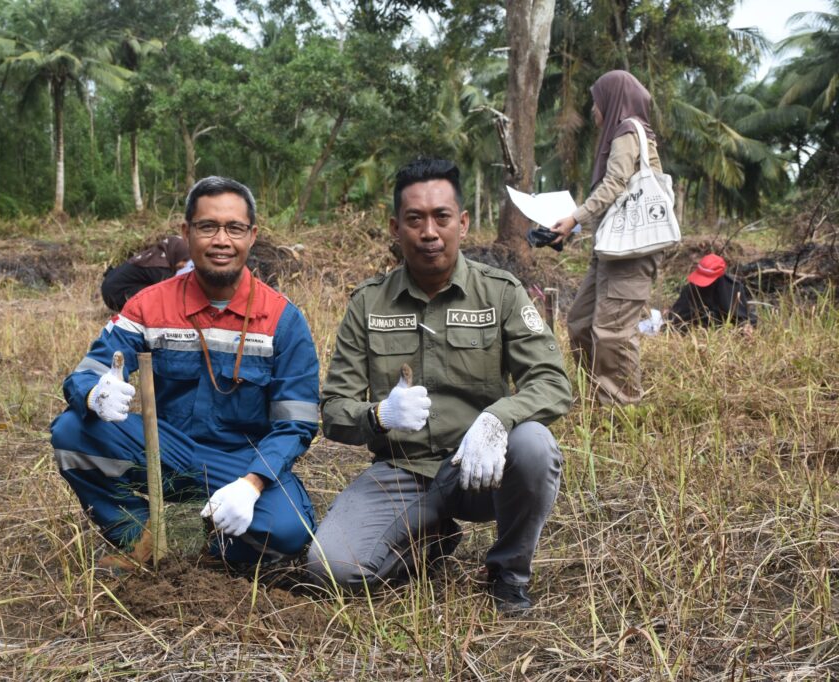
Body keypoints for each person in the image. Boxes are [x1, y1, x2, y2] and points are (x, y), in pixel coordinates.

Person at [308, 158, 572, 610]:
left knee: (535, 444)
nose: (429, 232)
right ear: (396, 227)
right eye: (415, 219)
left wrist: (496, 418)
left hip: (481, 468)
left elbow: (551, 382)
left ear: (463, 223)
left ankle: (508, 573)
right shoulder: (368, 304)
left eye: (441, 217)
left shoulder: (501, 293)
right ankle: (429, 539)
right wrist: (378, 416)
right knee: (331, 570)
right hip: (402, 471)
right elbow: (333, 409)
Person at [50, 176, 320, 570]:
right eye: (208, 227)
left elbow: (295, 425)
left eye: (235, 228)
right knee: (72, 433)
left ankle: (185, 542)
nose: (221, 240)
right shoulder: (148, 307)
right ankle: (142, 539)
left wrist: (252, 484)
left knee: (290, 532)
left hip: (240, 460)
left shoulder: (283, 319)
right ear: (186, 233)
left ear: (253, 235)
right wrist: (95, 393)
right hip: (166, 448)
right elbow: (88, 371)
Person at [550, 70, 664, 405]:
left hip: (631, 253)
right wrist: (575, 226)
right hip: (611, 251)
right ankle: (597, 393)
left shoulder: (628, 131)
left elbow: (614, 184)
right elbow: (616, 195)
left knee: (614, 332)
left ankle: (622, 408)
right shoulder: (622, 134)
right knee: (581, 322)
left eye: (596, 101)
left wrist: (575, 217)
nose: (593, 111)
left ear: (612, 99)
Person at [666, 253, 757, 331]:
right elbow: (676, 315)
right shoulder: (691, 289)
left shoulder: (733, 289)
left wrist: (746, 327)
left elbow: (742, 318)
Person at [100, 235, 191, 311]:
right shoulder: (161, 268)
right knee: (160, 297)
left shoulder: (155, 256)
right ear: (175, 253)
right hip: (115, 294)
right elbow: (170, 297)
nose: (185, 264)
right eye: (183, 259)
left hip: (110, 287)